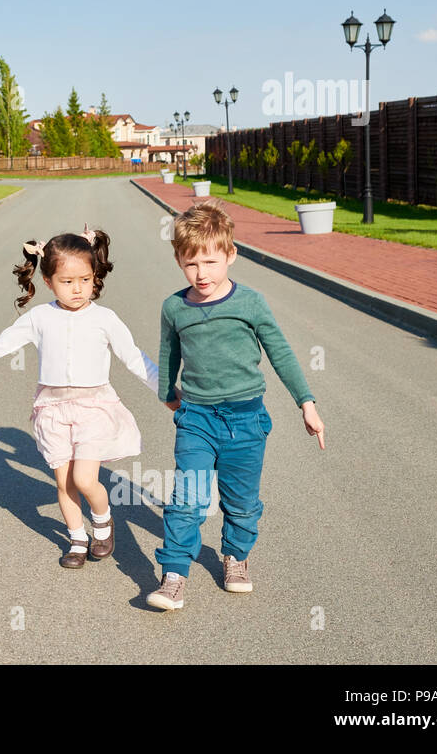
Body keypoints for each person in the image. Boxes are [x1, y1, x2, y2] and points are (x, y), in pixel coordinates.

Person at [0, 225, 161, 568]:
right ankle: (77, 539)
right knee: (64, 483)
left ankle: (102, 522)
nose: (78, 289)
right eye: (67, 281)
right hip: (53, 409)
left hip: (93, 408)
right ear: (48, 281)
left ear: (94, 277)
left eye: (85, 280)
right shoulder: (40, 317)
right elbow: (1, 345)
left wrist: (166, 392)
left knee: (84, 479)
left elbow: (135, 359)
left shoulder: (105, 318)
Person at [147, 199, 325, 611]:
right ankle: (173, 574)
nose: (201, 273)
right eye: (191, 264)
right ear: (178, 260)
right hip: (197, 420)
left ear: (231, 255)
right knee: (186, 499)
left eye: (210, 262)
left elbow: (281, 353)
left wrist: (307, 403)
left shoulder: (250, 304)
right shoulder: (175, 307)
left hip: (246, 420)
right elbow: (168, 352)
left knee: (241, 502)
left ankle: (236, 556)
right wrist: (167, 393)